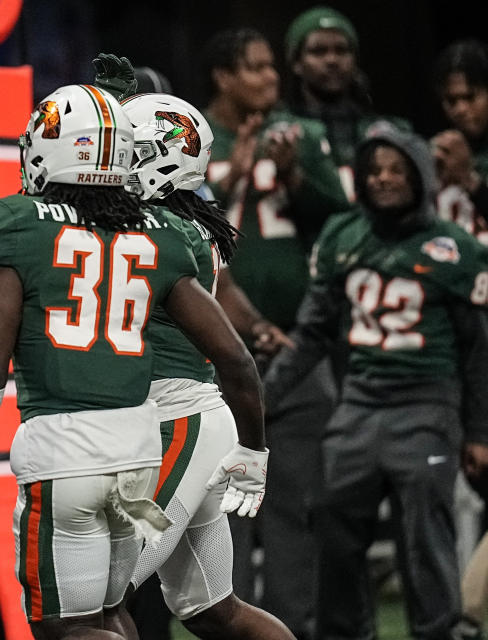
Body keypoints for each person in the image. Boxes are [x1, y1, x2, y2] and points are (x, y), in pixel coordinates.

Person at [0, 83, 267, 640]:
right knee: (203, 611)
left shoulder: (98, 226)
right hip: (142, 437)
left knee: (75, 621)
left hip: (152, 429)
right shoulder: (166, 229)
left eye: (131, 150)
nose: (121, 163)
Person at [263, 127, 488, 640]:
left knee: (425, 540)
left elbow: (477, 350)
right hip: (359, 402)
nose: (384, 179)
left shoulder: (456, 248)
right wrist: (265, 395)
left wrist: (479, 430)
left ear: (419, 176)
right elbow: (313, 331)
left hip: (426, 402)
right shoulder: (343, 234)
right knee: (331, 523)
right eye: (375, 170)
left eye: (396, 169)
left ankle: (437, 632)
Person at [93, 89, 293, 640]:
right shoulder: (177, 219)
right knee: (212, 610)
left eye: (122, 148)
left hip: (175, 419)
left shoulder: (156, 230)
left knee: (99, 598)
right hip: (163, 417)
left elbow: (235, 358)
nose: (107, 161)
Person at [201, 27, 349, 639]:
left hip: (294, 342)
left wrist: (294, 175)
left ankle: (293, 630)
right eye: (255, 68)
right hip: (212, 350)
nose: (270, 78)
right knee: (221, 506)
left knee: (298, 504)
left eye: (270, 68)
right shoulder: (189, 137)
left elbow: (338, 216)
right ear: (223, 76)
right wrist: (237, 167)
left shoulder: (300, 134)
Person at [284, 6, 410, 200]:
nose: (332, 60)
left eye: (341, 50)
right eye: (319, 51)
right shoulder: (284, 131)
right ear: (296, 62)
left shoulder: (388, 129)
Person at [431, 39, 488, 245]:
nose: (461, 109)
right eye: (451, 101)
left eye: (470, 97)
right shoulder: (437, 152)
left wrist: (468, 178)